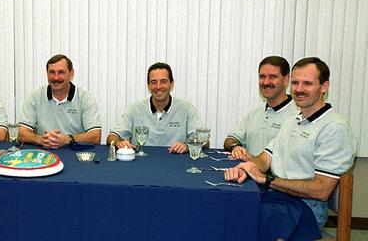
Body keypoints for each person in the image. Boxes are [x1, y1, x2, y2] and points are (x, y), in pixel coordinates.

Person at [225, 57, 356, 237]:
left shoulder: (335, 128)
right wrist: (247, 166)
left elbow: (322, 190)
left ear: (324, 86)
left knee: (247, 220)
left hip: (306, 209)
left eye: (307, 83)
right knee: (230, 206)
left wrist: (266, 180)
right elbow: (264, 160)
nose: (299, 89)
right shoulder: (292, 121)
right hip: (277, 198)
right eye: (295, 83)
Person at [107, 62, 201, 154]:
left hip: (176, 163)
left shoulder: (187, 109)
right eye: (153, 82)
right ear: (148, 86)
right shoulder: (134, 108)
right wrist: (119, 143)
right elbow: (112, 136)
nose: (158, 86)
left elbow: (205, 142)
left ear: (172, 84)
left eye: (163, 81)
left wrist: (187, 146)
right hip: (140, 164)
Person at [19, 54, 101, 149]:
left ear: (71, 74)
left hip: (75, 152)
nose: (56, 78)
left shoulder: (86, 98)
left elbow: (95, 136)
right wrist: (41, 139)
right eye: (52, 72)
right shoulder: (34, 97)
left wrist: (67, 139)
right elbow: (22, 134)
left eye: (61, 72)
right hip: (44, 152)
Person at [224, 56, 299, 158]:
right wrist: (236, 147)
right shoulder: (255, 113)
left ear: (286, 80)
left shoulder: (297, 116)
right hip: (248, 171)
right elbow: (230, 140)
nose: (266, 82)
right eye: (262, 76)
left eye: (273, 77)